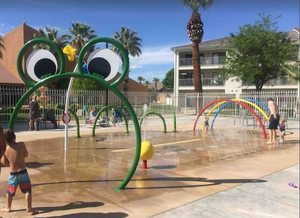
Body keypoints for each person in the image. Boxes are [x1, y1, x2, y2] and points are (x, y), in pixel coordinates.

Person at [1, 130, 34, 214]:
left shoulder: (6, 150)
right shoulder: (21, 145)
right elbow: (26, 154)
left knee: (9, 192)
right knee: (27, 191)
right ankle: (29, 208)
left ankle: (8, 208)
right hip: (23, 172)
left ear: (6, 140)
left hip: (13, 174)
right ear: (14, 137)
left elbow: (4, 162)